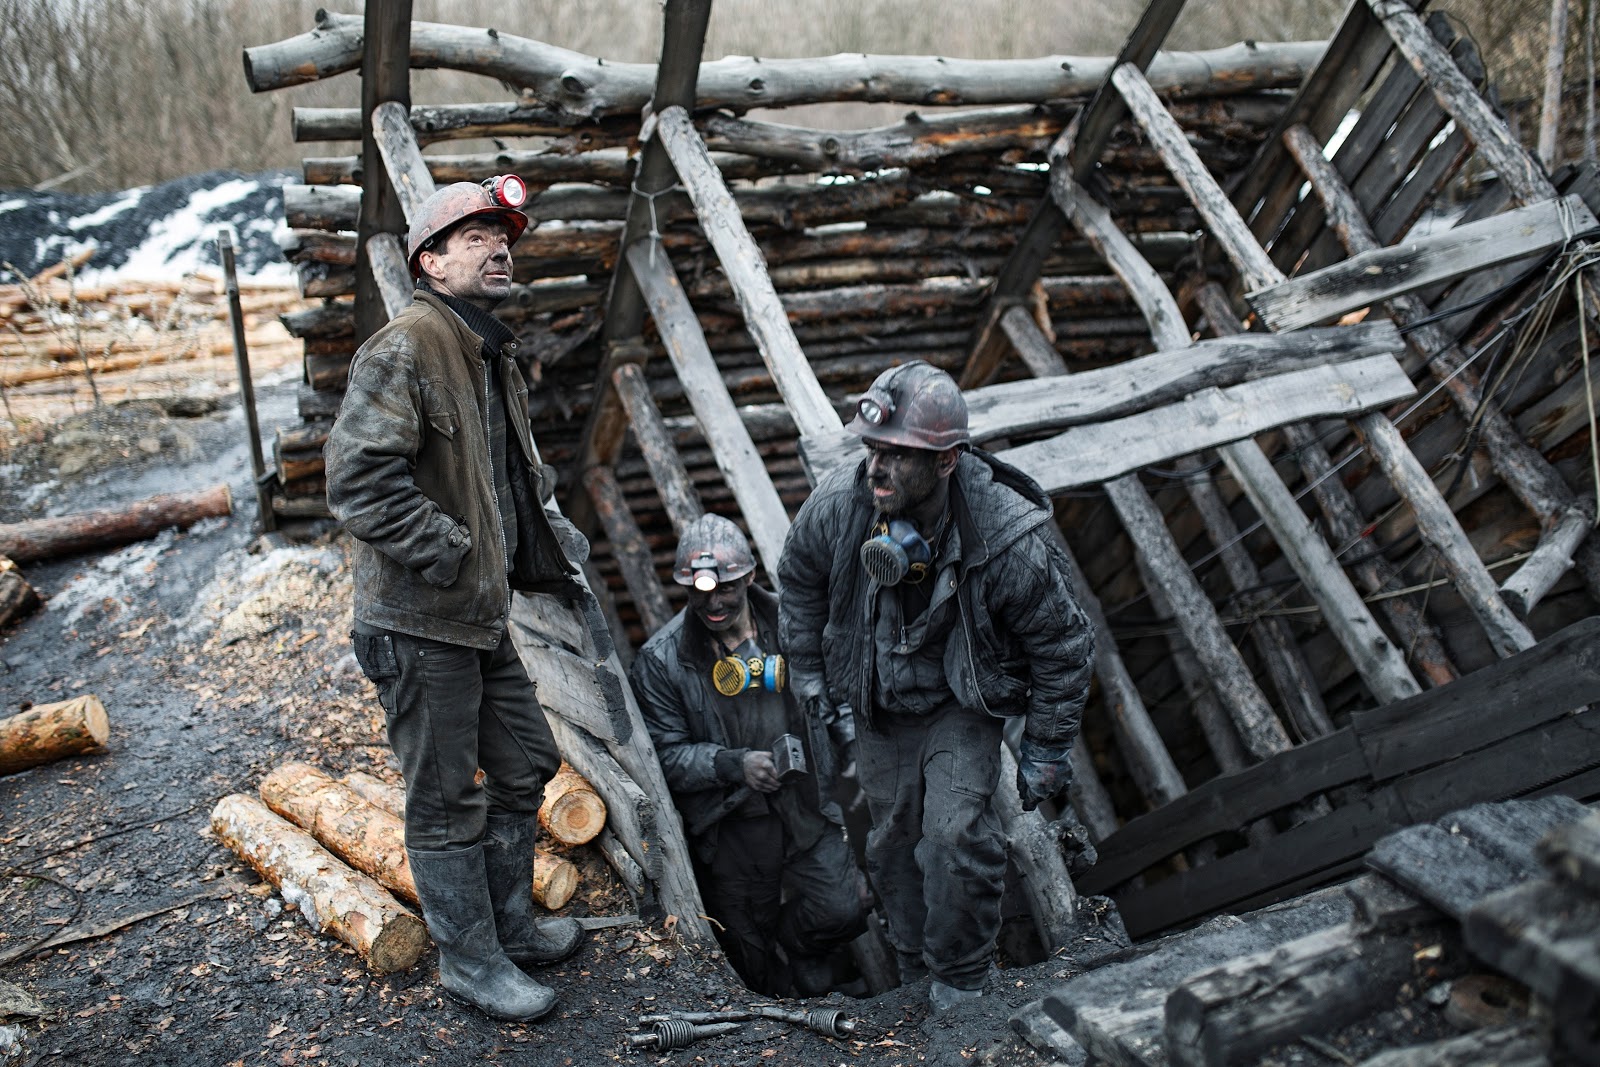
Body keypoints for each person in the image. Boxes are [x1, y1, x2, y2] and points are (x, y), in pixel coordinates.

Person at [325, 178, 590, 1023]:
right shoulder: (405, 347)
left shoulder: (486, 351)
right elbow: (357, 482)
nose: (499, 246)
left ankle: (509, 925)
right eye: (476, 235)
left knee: (523, 761)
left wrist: (543, 551)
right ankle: (470, 962)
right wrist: (457, 551)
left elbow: (510, 481)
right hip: (419, 616)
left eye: (504, 234)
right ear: (430, 261)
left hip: (475, 616)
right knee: (445, 796)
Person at [778, 360, 1094, 1014]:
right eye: (874, 449)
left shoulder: (1006, 538)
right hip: (876, 703)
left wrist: (1045, 749)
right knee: (891, 846)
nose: (878, 467)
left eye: (899, 454)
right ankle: (915, 968)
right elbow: (800, 583)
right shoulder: (841, 505)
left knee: (952, 836)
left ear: (947, 461)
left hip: (959, 701)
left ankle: (964, 977)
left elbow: (1063, 646)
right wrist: (809, 672)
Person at [631, 514, 866, 996]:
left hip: (806, 805)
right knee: (748, 951)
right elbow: (665, 757)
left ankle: (799, 947)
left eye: (726, 589)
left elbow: (839, 696)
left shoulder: (793, 623)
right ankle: (780, 1007)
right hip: (734, 824)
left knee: (845, 906)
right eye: (698, 591)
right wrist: (732, 765)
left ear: (750, 578)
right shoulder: (662, 661)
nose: (712, 603)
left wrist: (851, 757)